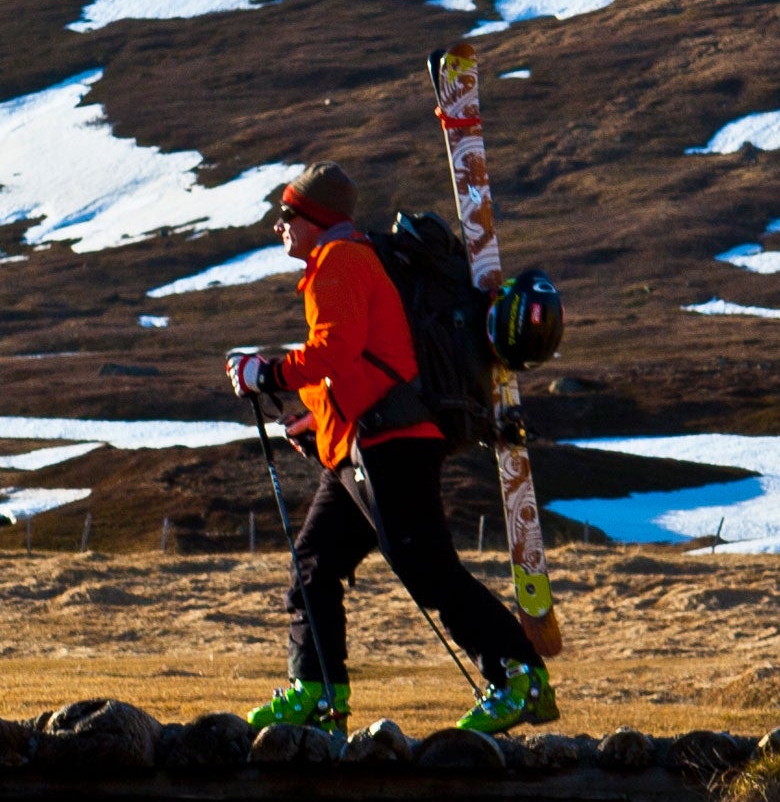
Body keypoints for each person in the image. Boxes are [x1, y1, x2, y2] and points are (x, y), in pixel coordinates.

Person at [225, 161, 556, 736]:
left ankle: (518, 676)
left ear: (314, 218)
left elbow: (336, 351)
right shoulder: (344, 261)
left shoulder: (340, 261)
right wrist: (314, 422)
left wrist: (267, 372)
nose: (279, 225)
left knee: (427, 569)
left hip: (392, 442)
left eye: (286, 214)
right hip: (366, 442)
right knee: (314, 565)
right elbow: (360, 362)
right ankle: (317, 693)